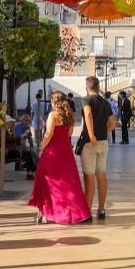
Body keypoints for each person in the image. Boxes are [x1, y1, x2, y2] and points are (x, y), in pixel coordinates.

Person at [29, 91, 93, 225]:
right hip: (66, 152)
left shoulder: (53, 115)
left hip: (53, 152)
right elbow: (69, 133)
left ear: (54, 102)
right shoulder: (70, 115)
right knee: (69, 183)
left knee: (47, 181)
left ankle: (45, 212)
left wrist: (41, 148)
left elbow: (48, 134)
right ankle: (78, 213)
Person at [79, 76, 114, 219]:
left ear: (87, 87)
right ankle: (101, 209)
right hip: (103, 142)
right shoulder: (106, 103)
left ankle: (87, 212)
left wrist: (92, 134)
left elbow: (88, 114)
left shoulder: (86, 100)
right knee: (101, 175)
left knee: (89, 178)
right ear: (99, 88)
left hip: (90, 143)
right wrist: (103, 132)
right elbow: (112, 124)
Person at [14, 114, 36, 180]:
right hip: (17, 146)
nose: (27, 122)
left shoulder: (27, 127)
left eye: (28, 120)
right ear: (22, 120)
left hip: (23, 146)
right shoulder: (18, 126)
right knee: (31, 154)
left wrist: (32, 147)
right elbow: (18, 138)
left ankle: (32, 171)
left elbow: (30, 139)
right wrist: (25, 133)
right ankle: (31, 173)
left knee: (33, 153)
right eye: (26, 120)